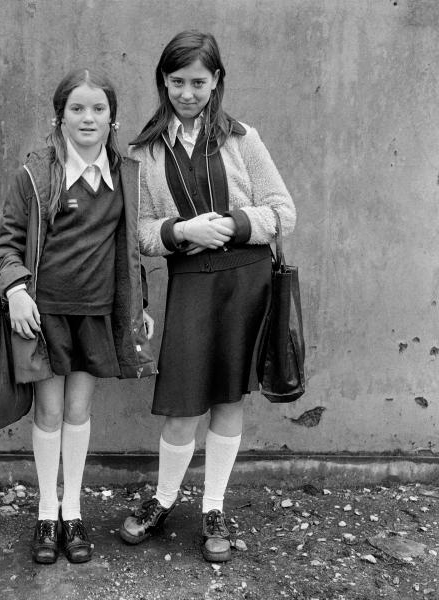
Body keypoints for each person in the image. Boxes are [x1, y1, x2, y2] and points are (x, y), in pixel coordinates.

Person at [119, 30, 296, 563]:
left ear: (216, 80)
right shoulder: (145, 150)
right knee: (182, 405)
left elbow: (283, 212)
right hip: (193, 284)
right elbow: (141, 231)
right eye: (177, 82)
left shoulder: (243, 138)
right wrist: (182, 233)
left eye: (198, 81)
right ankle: (163, 499)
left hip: (247, 279)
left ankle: (214, 506)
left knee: (226, 399)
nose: (188, 92)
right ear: (163, 82)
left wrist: (237, 224)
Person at [0, 68, 156, 565]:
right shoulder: (35, 173)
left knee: (79, 414)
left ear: (113, 117)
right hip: (43, 318)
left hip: (96, 315)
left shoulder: (127, 174)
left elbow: (127, 249)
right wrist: (17, 291)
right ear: (58, 116)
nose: (88, 117)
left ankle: (73, 511)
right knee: (49, 413)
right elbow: (6, 244)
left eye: (99, 109)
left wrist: (140, 305)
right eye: (77, 109)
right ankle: (46, 511)